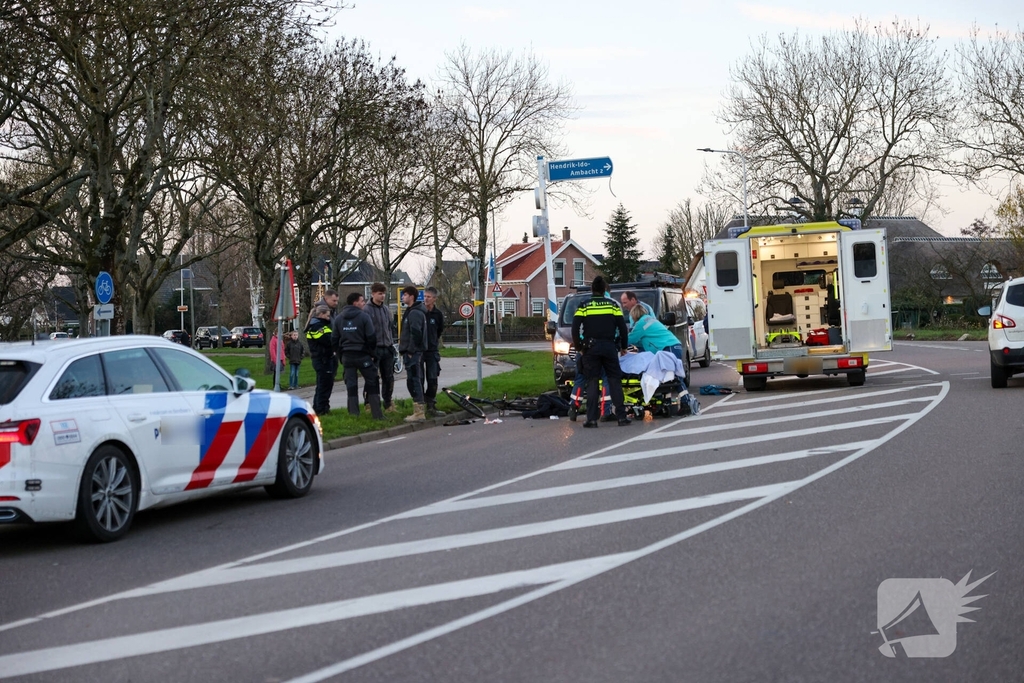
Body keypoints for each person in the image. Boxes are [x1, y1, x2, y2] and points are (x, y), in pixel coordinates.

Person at [572, 275, 631, 428]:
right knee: (614, 380)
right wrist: (623, 346)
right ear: (605, 290)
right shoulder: (613, 305)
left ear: (592, 289)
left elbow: (575, 328)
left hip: (590, 348)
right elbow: (623, 328)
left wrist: (579, 347)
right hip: (609, 347)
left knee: (592, 382)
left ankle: (591, 419)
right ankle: (622, 417)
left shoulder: (584, 305)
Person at [332, 292, 383, 420]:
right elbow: (371, 337)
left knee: (351, 385)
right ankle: (377, 414)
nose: (364, 303)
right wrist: (372, 354)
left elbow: (334, 339)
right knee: (372, 382)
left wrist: (341, 355)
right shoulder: (364, 317)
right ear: (355, 303)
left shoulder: (338, 318)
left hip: (347, 357)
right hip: (363, 355)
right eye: (361, 301)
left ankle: (354, 415)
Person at [398, 285, 428, 422]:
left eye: (404, 295)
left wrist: (410, 350)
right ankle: (418, 409)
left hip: (413, 352)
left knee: (414, 379)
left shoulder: (415, 313)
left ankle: (419, 412)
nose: (402, 297)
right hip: (412, 351)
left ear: (411, 296)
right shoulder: (412, 311)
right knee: (413, 379)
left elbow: (416, 333)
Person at [365, 282, 397, 411]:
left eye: (384, 293)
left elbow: (389, 328)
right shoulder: (366, 310)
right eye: (380, 294)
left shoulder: (386, 309)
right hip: (375, 348)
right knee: (372, 377)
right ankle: (369, 403)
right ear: (373, 294)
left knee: (388, 377)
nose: (382, 296)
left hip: (387, 347)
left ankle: (388, 403)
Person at [304, 305, 336, 415]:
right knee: (324, 385)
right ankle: (321, 409)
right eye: (327, 315)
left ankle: (319, 407)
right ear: (321, 315)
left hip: (322, 358)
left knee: (322, 385)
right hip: (323, 359)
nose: (329, 318)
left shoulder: (316, 325)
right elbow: (328, 340)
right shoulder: (317, 326)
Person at [422, 286, 446, 418]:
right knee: (418, 379)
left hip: (431, 350)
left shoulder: (438, 314)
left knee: (432, 378)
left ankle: (431, 404)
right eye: (424, 296)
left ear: (434, 299)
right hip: (419, 350)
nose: (426, 299)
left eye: (428, 297)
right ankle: (419, 406)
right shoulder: (419, 311)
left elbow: (439, 330)